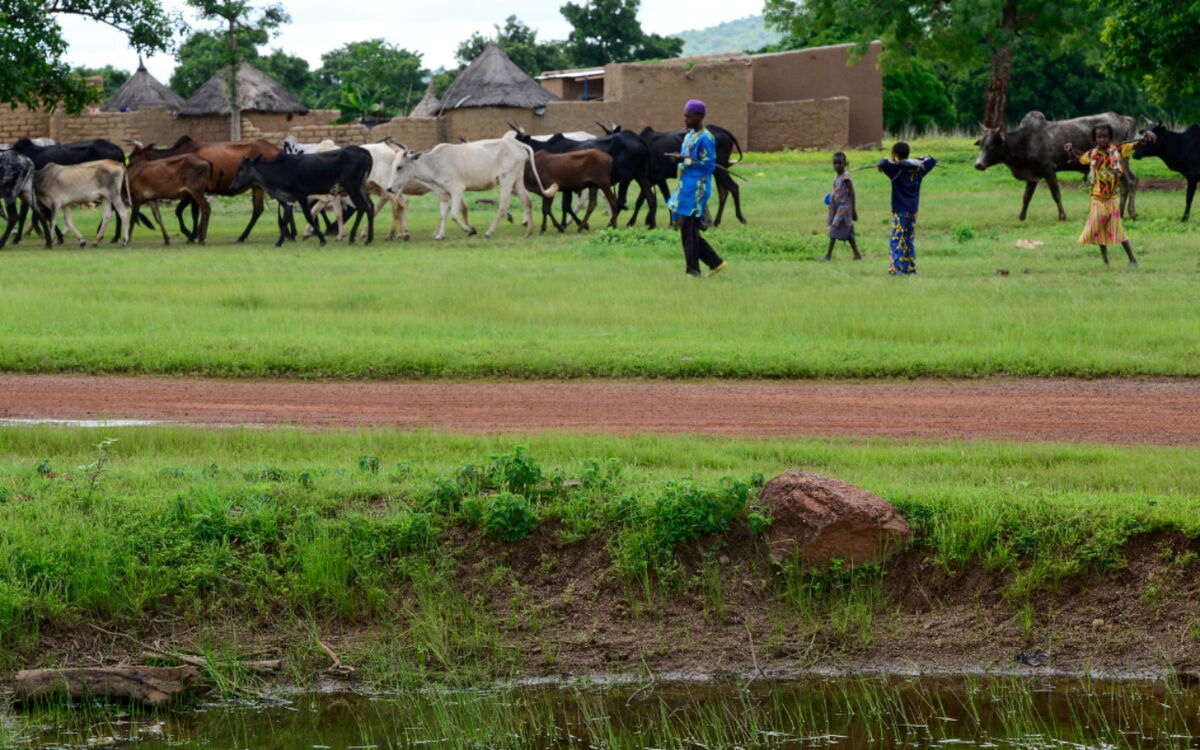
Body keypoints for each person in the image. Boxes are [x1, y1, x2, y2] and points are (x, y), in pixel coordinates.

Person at [1063, 124, 1154, 266]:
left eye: (1105, 137)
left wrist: (1145, 138)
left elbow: (1136, 146)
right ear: (1095, 139)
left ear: (1110, 138)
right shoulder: (1092, 154)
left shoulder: (1117, 150)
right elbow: (1077, 160)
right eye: (1099, 137)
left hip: (1111, 198)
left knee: (1117, 228)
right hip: (1097, 198)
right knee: (1099, 228)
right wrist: (1070, 150)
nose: (1102, 140)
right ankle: (1105, 260)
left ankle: (1132, 258)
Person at [665, 100, 728, 277]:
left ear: (700, 117)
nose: (684, 119)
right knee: (688, 231)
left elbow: (709, 166)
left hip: (696, 189)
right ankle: (715, 262)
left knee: (688, 230)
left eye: (688, 116)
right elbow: (688, 157)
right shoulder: (689, 135)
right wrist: (680, 157)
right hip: (685, 187)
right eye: (684, 115)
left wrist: (683, 160)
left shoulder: (706, 138)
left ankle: (693, 271)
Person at [877, 142, 936, 275]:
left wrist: (888, 163)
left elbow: (884, 161)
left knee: (896, 239)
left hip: (899, 211)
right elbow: (930, 158)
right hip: (913, 211)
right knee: (908, 239)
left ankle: (895, 269)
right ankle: (910, 268)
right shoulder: (919, 169)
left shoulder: (895, 169)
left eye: (893, 154)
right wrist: (913, 162)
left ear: (896, 156)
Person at [822, 151, 861, 261]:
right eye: (835, 163)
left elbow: (852, 193)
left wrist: (853, 210)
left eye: (840, 163)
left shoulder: (846, 177)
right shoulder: (838, 176)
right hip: (837, 207)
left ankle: (828, 255)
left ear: (846, 163)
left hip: (844, 209)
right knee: (849, 234)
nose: (837, 165)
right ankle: (857, 255)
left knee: (833, 230)